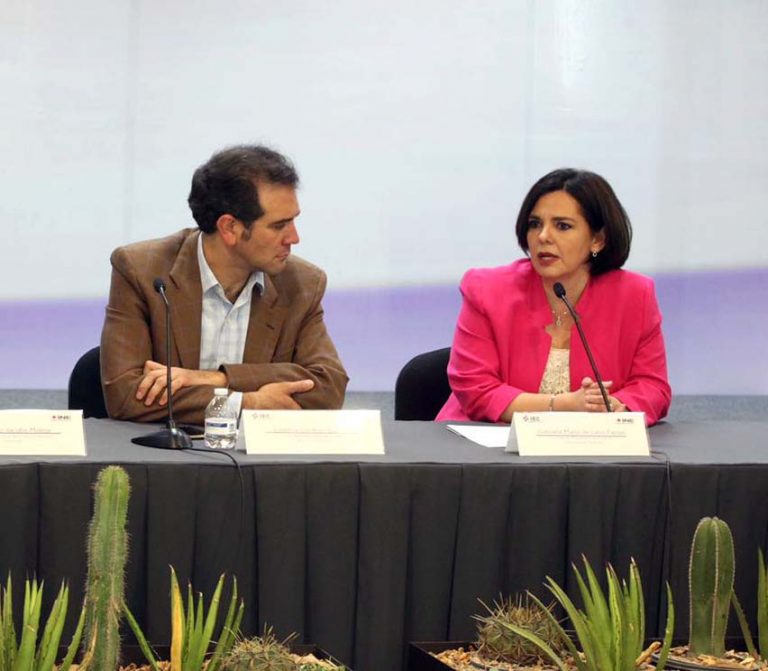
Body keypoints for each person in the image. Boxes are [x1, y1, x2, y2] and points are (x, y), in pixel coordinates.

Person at [100, 144, 348, 425]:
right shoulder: (141, 271)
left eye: (293, 221)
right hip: (168, 460)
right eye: (279, 226)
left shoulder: (302, 283)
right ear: (229, 228)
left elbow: (329, 386)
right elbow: (125, 395)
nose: (294, 238)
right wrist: (246, 402)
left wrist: (218, 378)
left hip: (258, 463)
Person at [436, 168, 671, 426]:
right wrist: (563, 406)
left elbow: (652, 386)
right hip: (488, 449)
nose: (543, 236)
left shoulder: (634, 296)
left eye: (562, 226)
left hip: (590, 449)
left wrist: (616, 406)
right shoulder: (486, 290)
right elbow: (476, 388)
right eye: (535, 224)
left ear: (598, 239)